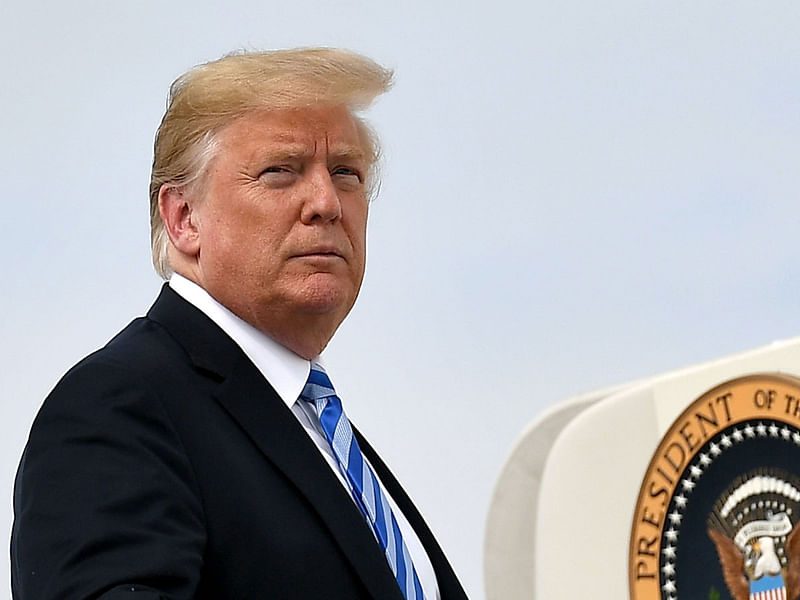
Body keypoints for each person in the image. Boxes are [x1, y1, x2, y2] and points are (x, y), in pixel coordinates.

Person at [11, 48, 468, 600]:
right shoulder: (119, 405)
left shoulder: (314, 427)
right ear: (183, 218)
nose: (326, 202)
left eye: (346, 172)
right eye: (280, 172)